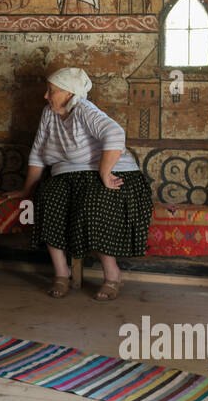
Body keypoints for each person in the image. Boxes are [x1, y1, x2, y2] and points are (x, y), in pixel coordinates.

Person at [9, 67, 151, 299]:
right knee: (48, 196)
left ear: (69, 93)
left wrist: (104, 173)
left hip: (112, 172)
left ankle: (112, 276)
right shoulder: (49, 113)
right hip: (67, 174)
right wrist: (27, 190)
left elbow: (114, 133)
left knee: (95, 202)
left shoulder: (84, 110)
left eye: (51, 91)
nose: (46, 96)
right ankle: (61, 274)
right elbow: (37, 153)